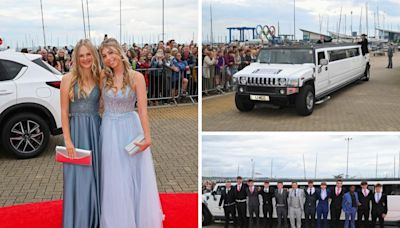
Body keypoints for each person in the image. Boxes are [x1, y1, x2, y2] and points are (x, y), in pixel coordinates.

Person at [99, 38, 163, 227]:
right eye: (104, 55)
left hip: (130, 127)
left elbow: (142, 109)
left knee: (133, 173)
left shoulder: (137, 77)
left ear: (119, 52)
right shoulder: (103, 76)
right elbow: (99, 104)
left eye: (111, 52)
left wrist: (148, 137)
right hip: (109, 128)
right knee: (112, 174)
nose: (108, 58)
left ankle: (136, 217)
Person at [59, 39, 102, 228]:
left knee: (96, 174)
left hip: (96, 129)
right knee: (78, 177)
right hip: (76, 131)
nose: (85, 58)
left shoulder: (100, 77)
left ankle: (96, 218)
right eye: (81, 55)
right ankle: (79, 220)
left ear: (94, 55)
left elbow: (106, 105)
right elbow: (63, 112)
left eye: (88, 54)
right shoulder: (68, 79)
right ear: (76, 58)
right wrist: (67, 139)